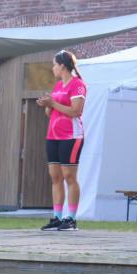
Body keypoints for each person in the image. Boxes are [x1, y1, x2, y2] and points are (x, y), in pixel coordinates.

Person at [36, 50, 86, 232]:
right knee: (55, 177)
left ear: (63, 66)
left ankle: (71, 219)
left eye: (54, 64)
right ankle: (57, 217)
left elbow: (76, 111)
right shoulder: (57, 86)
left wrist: (54, 103)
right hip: (53, 136)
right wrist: (46, 105)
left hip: (71, 136)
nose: (53, 68)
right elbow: (51, 113)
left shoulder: (77, 85)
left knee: (69, 177)